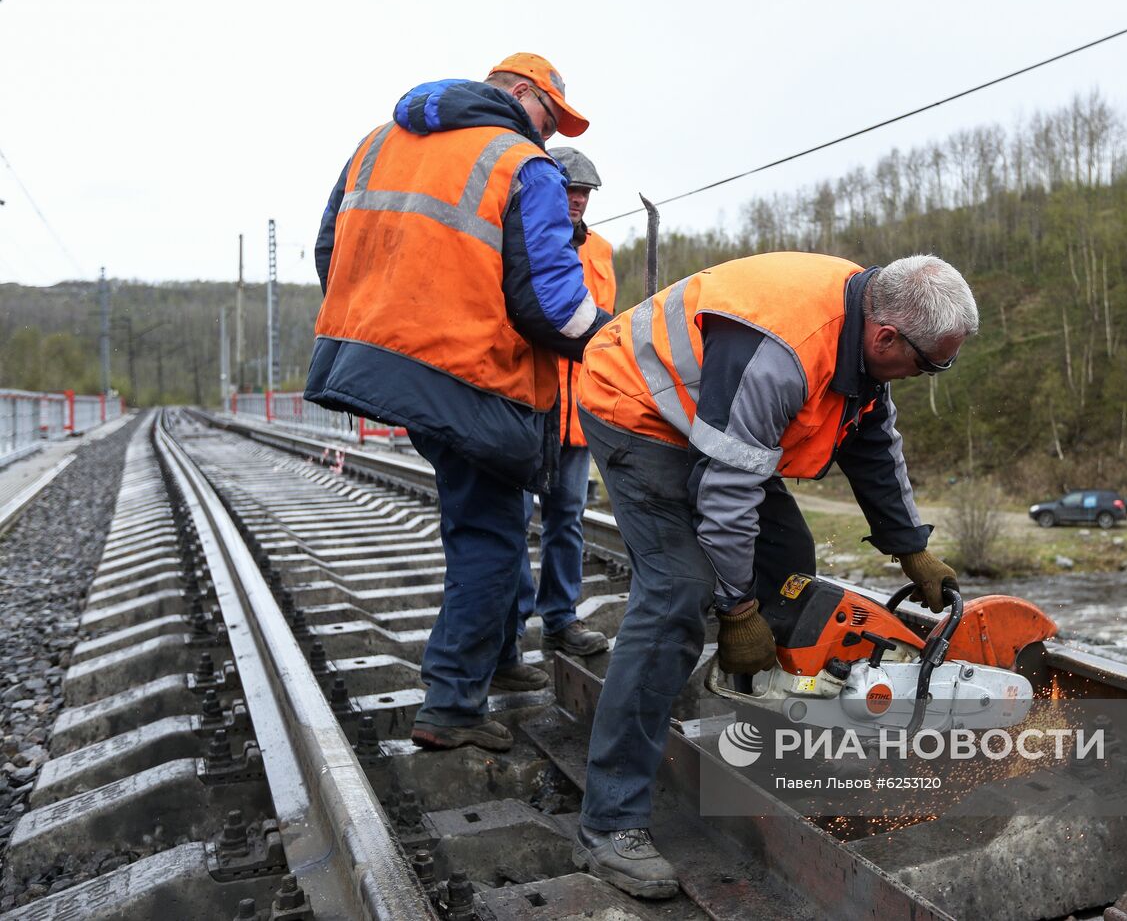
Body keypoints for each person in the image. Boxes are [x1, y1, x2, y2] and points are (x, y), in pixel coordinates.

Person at [570, 252, 976, 899]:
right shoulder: (785, 349)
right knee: (678, 594)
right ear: (887, 337)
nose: (928, 376)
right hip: (637, 408)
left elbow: (871, 441)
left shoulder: (867, 324)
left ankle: (758, 731)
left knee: (788, 566)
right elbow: (726, 494)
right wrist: (736, 613)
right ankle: (610, 823)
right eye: (930, 364)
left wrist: (909, 548)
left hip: (710, 423)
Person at [304, 53, 611, 754]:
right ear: (524, 94)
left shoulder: (376, 142)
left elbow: (332, 250)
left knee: (474, 514)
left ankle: (496, 661)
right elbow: (552, 303)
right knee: (492, 538)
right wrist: (610, 344)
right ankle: (451, 702)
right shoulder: (520, 162)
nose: (551, 139)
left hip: (392, 365)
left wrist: (398, 315)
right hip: (472, 373)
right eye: (550, 118)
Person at [515, 147, 615, 656]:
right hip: (528, 406)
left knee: (567, 519)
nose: (577, 199)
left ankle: (559, 619)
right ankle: (508, 635)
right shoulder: (521, 239)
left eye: (584, 192)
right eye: (569, 189)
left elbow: (603, 332)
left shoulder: (601, 251)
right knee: (511, 521)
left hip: (576, 415)